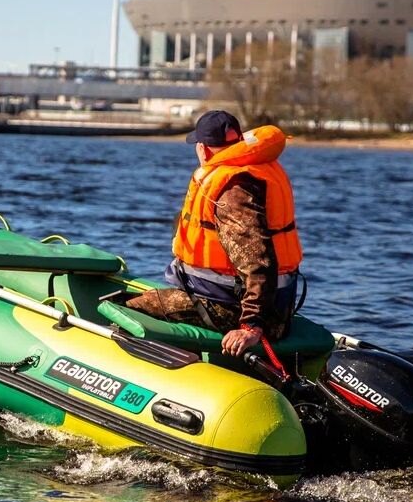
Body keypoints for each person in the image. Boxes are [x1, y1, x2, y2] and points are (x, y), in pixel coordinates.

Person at [126, 110, 303, 358]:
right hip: (273, 306)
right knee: (150, 296)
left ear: (204, 149)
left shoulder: (232, 192)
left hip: (234, 310)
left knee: (128, 306)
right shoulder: (256, 168)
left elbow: (257, 263)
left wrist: (251, 326)